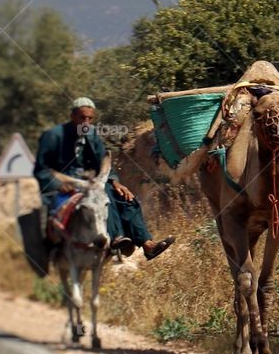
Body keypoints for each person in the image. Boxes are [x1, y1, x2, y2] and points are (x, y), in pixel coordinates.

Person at [33, 97, 175, 260]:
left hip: (89, 182)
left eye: (90, 118)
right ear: (72, 116)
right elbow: (40, 169)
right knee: (103, 191)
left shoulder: (91, 134)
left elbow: (103, 162)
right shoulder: (53, 136)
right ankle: (115, 238)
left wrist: (115, 182)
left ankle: (147, 245)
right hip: (65, 186)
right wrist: (58, 184)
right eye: (82, 118)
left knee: (126, 197)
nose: (86, 122)